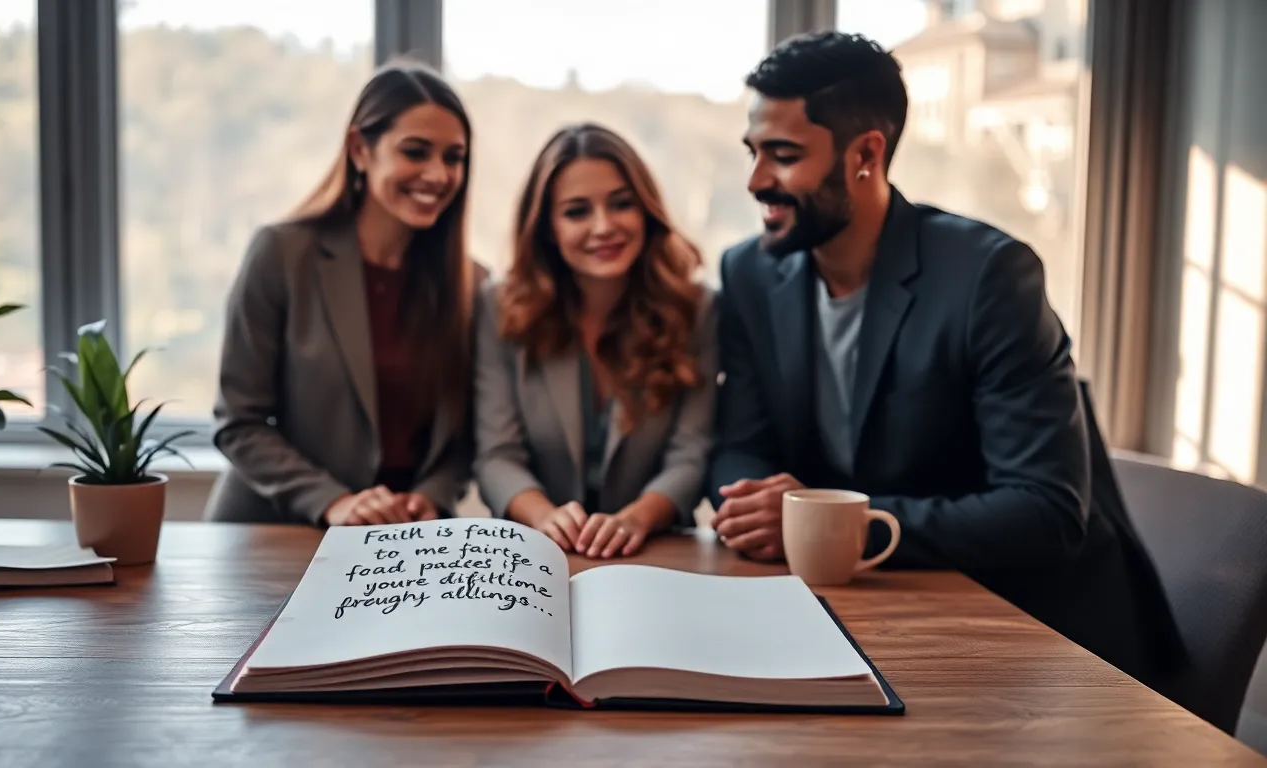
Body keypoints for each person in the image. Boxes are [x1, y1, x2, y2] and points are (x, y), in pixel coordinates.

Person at [708, 31, 1183, 683]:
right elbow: (740, 445)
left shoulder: (989, 277)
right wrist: (752, 503)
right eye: (753, 151)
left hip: (1037, 640)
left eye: (783, 155)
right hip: (856, 617)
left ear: (865, 154)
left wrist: (838, 522)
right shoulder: (750, 274)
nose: (756, 180)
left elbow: (1043, 511)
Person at [204, 61, 481, 527]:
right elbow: (239, 423)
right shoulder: (282, 254)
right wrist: (333, 501)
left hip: (401, 541)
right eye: (416, 152)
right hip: (273, 533)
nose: (438, 174)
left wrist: (430, 497)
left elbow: (469, 435)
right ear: (359, 149)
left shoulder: (472, 283)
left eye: (454, 158)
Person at [474, 123, 718, 559]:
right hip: (533, 554)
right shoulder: (497, 307)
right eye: (576, 211)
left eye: (622, 204)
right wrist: (545, 516)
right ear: (547, 226)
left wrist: (635, 519)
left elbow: (690, 455)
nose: (603, 227)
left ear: (646, 210)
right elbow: (496, 455)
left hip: (653, 551)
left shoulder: (697, 309)